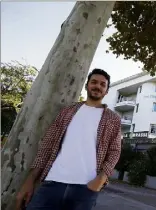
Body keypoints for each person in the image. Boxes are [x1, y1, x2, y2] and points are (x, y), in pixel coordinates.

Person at [16, 69, 122, 210]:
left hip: (86, 189)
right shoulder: (68, 111)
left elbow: (115, 151)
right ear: (87, 85)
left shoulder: (113, 119)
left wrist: (101, 179)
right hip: (52, 183)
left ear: (107, 91)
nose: (98, 86)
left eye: (103, 84)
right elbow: (47, 145)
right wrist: (30, 180)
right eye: (94, 82)